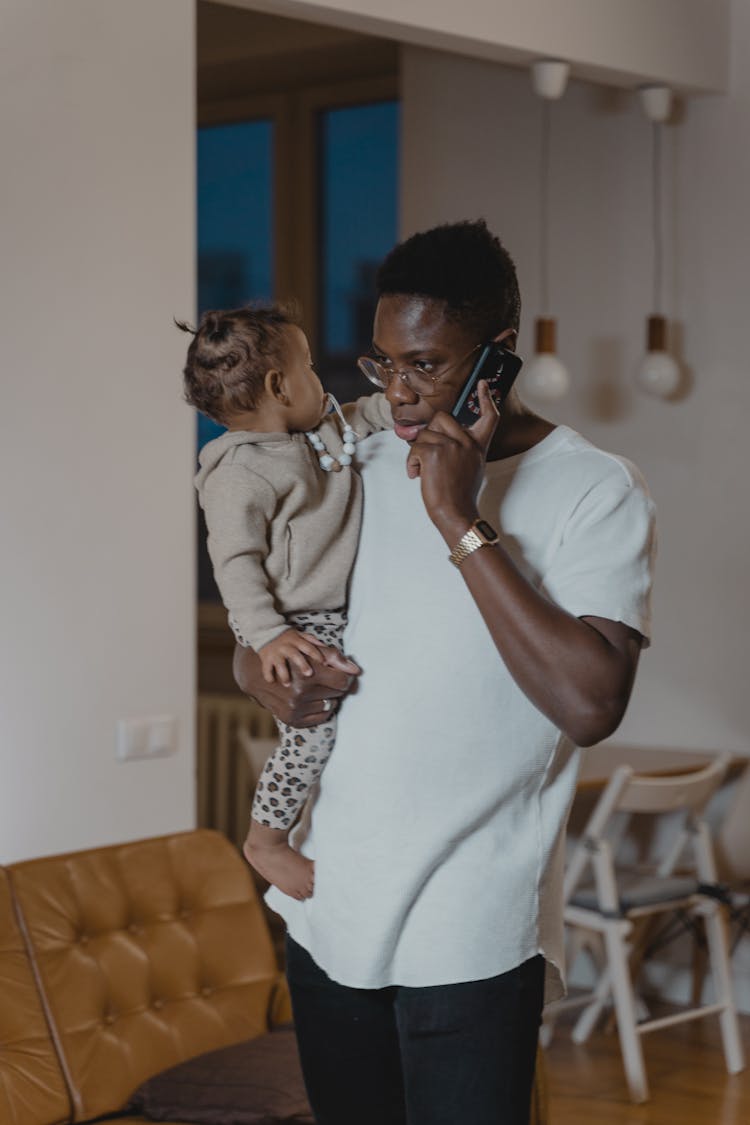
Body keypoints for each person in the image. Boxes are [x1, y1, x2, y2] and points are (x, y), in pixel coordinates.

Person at [233, 219, 656, 1125]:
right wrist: (260, 672)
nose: (399, 392)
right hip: (331, 902)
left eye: (425, 363)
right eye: (384, 363)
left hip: (472, 929)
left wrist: (458, 517)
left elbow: (590, 703)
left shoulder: (595, 487)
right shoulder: (352, 450)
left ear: (499, 356)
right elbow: (262, 622)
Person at [181, 305, 391, 900]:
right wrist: (267, 634)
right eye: (309, 368)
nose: (320, 381)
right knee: (313, 735)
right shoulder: (239, 474)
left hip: (326, 613)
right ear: (279, 386)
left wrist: (405, 405)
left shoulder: (320, 433)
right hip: (285, 624)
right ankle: (266, 841)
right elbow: (235, 562)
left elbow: (362, 417)